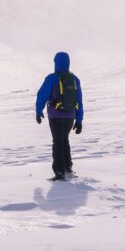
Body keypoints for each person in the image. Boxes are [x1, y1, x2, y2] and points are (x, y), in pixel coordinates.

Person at [35, 51, 84, 180]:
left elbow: (42, 95)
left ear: (56, 62)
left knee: (57, 142)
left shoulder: (51, 78)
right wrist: (79, 120)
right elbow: (79, 101)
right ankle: (67, 168)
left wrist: (38, 111)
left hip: (55, 116)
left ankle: (59, 172)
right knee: (64, 141)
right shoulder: (74, 79)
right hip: (70, 117)